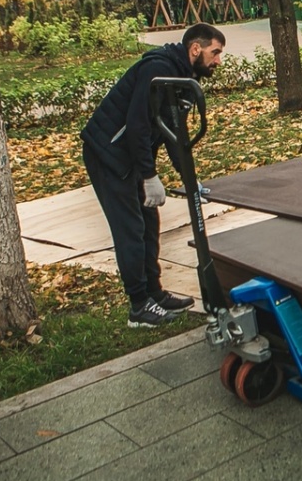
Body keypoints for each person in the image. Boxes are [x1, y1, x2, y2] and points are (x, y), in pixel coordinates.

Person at [81, 22, 226, 327]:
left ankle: (155, 293)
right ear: (195, 49)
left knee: (149, 223)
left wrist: (189, 178)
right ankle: (138, 306)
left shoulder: (183, 77)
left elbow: (173, 132)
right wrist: (149, 176)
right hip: (108, 153)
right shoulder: (157, 70)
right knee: (131, 228)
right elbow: (137, 125)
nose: (218, 61)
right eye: (215, 52)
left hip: (130, 152)